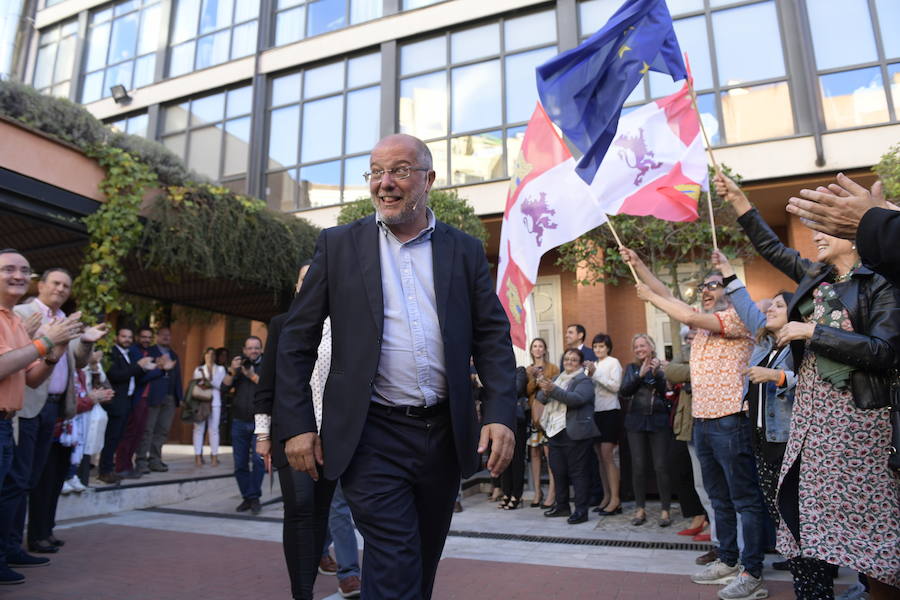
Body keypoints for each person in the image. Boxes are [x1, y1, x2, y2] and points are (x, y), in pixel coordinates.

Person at [276, 133, 516, 600]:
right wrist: (296, 425)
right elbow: (295, 342)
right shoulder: (338, 246)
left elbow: (492, 336)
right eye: (375, 172)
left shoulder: (464, 250)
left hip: (444, 435)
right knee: (394, 559)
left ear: (428, 179)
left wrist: (502, 412)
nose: (384, 183)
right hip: (371, 436)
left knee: (422, 561)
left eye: (399, 171)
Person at [717, 173, 900, 599]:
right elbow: (771, 248)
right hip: (813, 424)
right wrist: (742, 202)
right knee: (812, 523)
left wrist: (811, 333)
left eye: (828, 229)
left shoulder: (881, 282)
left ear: (856, 239)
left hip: (860, 427)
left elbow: (885, 352)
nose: (816, 234)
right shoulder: (816, 281)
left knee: (875, 537)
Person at [623, 247, 768, 600]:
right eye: (702, 286)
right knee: (718, 498)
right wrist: (639, 264)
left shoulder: (738, 319)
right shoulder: (701, 328)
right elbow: (668, 295)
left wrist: (651, 300)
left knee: (744, 499)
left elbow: (672, 305)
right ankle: (728, 559)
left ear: (729, 291)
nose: (706, 290)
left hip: (730, 421)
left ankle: (752, 571)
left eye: (714, 285)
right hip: (703, 422)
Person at [255, 262, 361, 599]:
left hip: (332, 436)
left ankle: (313, 576)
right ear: (297, 286)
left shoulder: (343, 326)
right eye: (305, 279)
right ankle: (302, 593)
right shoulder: (282, 324)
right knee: (300, 509)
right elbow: (268, 382)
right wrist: (263, 435)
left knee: (320, 513)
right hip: (292, 432)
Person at [6, 267, 106, 567]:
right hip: (25, 405)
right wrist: (36, 335)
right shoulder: (20, 313)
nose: (61, 289)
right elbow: (14, 357)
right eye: (56, 283)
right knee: (17, 479)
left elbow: (77, 360)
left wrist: (87, 340)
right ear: (41, 286)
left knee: (34, 479)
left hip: (56, 408)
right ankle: (8, 547)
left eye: (66, 286)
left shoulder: (64, 320)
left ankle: (19, 543)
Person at [0, 250, 85, 585]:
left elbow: (29, 377)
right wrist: (46, 341)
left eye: (24, 270)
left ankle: (7, 550)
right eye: (8, 269)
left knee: (18, 485)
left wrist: (55, 353)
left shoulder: (14, 320)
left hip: (8, 422)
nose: (18, 275)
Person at [711, 250, 797, 552]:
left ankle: (814, 569)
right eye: (770, 305)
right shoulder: (764, 342)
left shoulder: (801, 348)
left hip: (787, 439)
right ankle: (793, 556)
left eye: (778, 305)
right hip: (759, 436)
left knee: (794, 505)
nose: (770, 310)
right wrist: (727, 270)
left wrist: (776, 377)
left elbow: (809, 384)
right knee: (773, 502)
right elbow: (746, 306)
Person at [784, 173, 900, 286]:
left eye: (825, 231)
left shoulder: (877, 277)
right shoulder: (820, 278)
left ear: (854, 240)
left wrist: (876, 227)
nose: (816, 239)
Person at [665, 327, 713, 565]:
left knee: (714, 486)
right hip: (689, 427)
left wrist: (689, 371)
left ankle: (720, 537)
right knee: (700, 483)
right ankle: (716, 536)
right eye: (688, 337)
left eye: (695, 335)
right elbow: (671, 370)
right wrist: (694, 369)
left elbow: (680, 371)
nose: (691, 340)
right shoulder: (688, 353)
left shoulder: (715, 352)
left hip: (712, 424)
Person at [537, 347, 599, 524]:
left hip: (575, 432)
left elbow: (576, 399)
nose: (569, 362)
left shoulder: (584, 380)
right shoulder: (557, 378)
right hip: (554, 430)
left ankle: (581, 511)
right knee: (558, 470)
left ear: (580, 363)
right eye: (566, 359)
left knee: (578, 473)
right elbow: (542, 398)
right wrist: (546, 389)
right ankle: (562, 506)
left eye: (573, 359)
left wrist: (553, 389)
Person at [618, 334, 672, 527]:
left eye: (643, 345)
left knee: (661, 466)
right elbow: (624, 392)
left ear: (651, 346)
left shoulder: (661, 366)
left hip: (658, 420)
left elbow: (667, 393)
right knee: (638, 466)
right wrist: (639, 375)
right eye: (636, 346)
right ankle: (640, 508)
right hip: (636, 421)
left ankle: (665, 509)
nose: (639, 349)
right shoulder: (631, 368)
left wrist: (657, 373)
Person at [99, 328, 156, 484]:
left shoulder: (129, 354)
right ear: (117, 337)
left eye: (130, 337)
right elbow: (116, 375)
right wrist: (139, 366)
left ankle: (110, 468)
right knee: (111, 437)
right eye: (124, 336)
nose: (127, 340)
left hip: (128, 400)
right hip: (115, 401)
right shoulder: (111, 353)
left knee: (119, 437)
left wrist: (148, 368)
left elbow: (134, 374)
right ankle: (105, 470)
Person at [116, 327, 171, 478]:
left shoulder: (150, 353)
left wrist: (158, 368)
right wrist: (160, 369)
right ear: (138, 338)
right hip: (136, 397)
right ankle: (122, 466)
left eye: (149, 337)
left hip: (147, 398)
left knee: (138, 434)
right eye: (143, 337)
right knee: (130, 433)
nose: (146, 340)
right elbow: (140, 377)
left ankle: (128, 465)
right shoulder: (134, 352)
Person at [223, 336, 265, 515]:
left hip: (260, 421)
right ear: (244, 349)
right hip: (239, 421)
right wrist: (232, 371)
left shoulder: (267, 366)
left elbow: (270, 387)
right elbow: (223, 388)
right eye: (250, 348)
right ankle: (247, 497)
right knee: (240, 463)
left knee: (258, 461)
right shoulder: (238, 368)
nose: (253, 351)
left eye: (256, 348)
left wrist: (252, 375)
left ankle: (254, 497)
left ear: (261, 350)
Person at [584, 333, 622, 516]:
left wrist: (595, 374)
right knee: (599, 456)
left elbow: (615, 387)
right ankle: (606, 496)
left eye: (601, 346)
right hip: (595, 412)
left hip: (610, 411)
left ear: (608, 347)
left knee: (608, 455)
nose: (598, 349)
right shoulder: (594, 365)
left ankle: (616, 498)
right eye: (596, 346)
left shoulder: (613, 363)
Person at [136, 327, 182, 474]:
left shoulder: (174, 355)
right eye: (163, 335)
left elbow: (178, 378)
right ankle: (141, 460)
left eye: (169, 335)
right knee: (147, 429)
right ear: (157, 336)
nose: (166, 337)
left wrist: (178, 397)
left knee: (162, 430)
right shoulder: (150, 352)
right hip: (153, 395)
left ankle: (155, 460)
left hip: (169, 397)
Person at [525, 337, 558, 509]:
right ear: (531, 350)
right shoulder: (527, 369)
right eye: (535, 346)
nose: (538, 349)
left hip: (549, 415)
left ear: (545, 350)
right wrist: (533, 378)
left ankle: (552, 492)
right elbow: (526, 390)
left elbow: (554, 388)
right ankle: (537, 492)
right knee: (535, 454)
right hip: (533, 415)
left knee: (549, 453)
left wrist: (542, 377)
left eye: (540, 346)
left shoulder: (553, 368)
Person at [497, 366, 528, 510]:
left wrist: (499, 387)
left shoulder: (519, 371)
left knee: (516, 459)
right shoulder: (494, 373)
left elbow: (518, 388)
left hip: (517, 421)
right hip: (501, 420)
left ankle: (517, 494)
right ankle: (506, 493)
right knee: (503, 457)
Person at [192, 347, 226, 467]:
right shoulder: (199, 369)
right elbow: (196, 385)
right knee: (198, 429)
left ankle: (214, 456)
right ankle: (197, 456)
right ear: (204, 355)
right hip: (201, 402)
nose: (210, 356)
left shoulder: (221, 369)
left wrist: (206, 382)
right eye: (208, 354)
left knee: (214, 430)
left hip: (215, 402)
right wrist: (207, 383)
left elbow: (218, 384)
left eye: (212, 354)